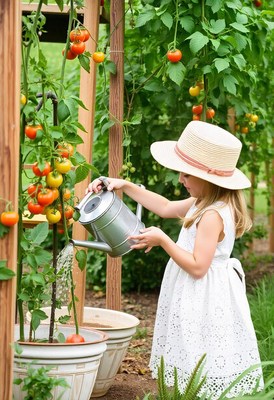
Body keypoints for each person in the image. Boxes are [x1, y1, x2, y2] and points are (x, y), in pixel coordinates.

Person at [87, 121, 263, 398]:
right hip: (198, 292)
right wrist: (124, 185)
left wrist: (164, 241)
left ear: (208, 179)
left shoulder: (212, 215)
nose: (180, 179)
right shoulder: (204, 203)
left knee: (201, 347)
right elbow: (166, 207)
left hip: (203, 293)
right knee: (197, 345)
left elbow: (198, 267)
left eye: (186, 175)